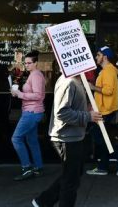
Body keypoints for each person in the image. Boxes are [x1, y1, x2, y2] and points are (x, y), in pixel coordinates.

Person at [32, 72, 102, 207]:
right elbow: (62, 113)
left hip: (74, 136)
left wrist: (87, 109)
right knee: (71, 181)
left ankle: (44, 201)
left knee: (74, 174)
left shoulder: (76, 81)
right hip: (66, 137)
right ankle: (44, 201)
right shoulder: (68, 82)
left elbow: (72, 107)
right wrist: (88, 116)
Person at [86, 46, 118, 177]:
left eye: (98, 55)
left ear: (105, 57)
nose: (96, 57)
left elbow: (108, 90)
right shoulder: (106, 71)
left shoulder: (109, 71)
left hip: (105, 111)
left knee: (99, 137)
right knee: (102, 137)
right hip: (103, 109)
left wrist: (93, 87)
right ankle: (103, 167)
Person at [10, 50, 46, 181]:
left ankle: (27, 168)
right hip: (32, 112)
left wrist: (19, 94)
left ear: (36, 63)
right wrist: (17, 92)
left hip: (32, 112)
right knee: (32, 141)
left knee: (16, 139)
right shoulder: (34, 75)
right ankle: (38, 167)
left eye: (29, 63)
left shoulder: (35, 75)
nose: (27, 65)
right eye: (25, 63)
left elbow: (38, 95)